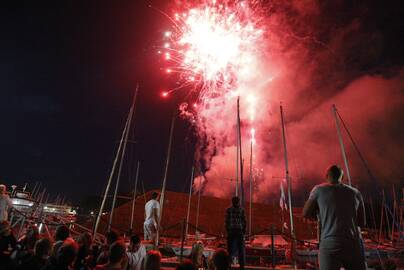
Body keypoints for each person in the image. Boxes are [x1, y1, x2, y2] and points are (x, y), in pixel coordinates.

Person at [303, 165, 367, 270]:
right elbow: (362, 223)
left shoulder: (318, 190)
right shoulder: (355, 193)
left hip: (329, 243)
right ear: (342, 178)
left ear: (326, 176)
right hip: (352, 243)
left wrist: (318, 215)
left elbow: (305, 213)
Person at [225, 196, 246, 269]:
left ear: (232, 201)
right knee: (240, 249)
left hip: (231, 231)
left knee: (229, 249)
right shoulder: (241, 210)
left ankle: (228, 264)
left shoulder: (228, 210)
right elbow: (244, 221)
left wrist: (227, 230)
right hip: (239, 231)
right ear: (238, 202)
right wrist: (243, 231)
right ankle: (242, 265)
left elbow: (227, 221)